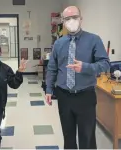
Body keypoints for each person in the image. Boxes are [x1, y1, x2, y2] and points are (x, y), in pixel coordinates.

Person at [45, 6, 110, 149]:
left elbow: (105, 64)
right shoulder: (58, 43)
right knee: (68, 136)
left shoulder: (93, 40)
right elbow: (52, 68)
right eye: (67, 19)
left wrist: (85, 67)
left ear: (81, 18)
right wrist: (49, 89)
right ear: (63, 22)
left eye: (74, 17)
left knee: (87, 137)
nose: (71, 21)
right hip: (64, 96)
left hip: (85, 96)